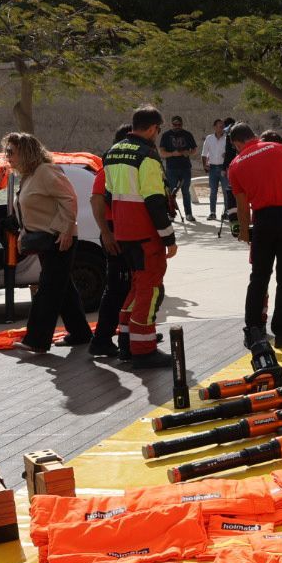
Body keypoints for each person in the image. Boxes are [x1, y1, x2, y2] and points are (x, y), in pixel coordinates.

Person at [3, 132, 92, 353]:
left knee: (48, 290)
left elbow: (69, 198)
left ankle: (36, 340)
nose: (7, 157)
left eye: (11, 152)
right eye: (6, 152)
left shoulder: (45, 171)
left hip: (59, 238)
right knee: (63, 288)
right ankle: (80, 333)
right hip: (46, 240)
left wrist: (66, 230)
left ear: (25, 152)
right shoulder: (29, 175)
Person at [103, 106, 177, 368]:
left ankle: (126, 342)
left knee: (136, 286)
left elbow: (109, 195)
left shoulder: (111, 154)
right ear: (153, 128)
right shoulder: (147, 156)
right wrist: (168, 237)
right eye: (158, 130)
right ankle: (143, 349)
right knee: (150, 289)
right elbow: (155, 201)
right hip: (146, 235)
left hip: (124, 233)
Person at [227, 123, 282, 350]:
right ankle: (281, 332)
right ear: (253, 136)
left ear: (237, 143)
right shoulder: (279, 150)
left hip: (263, 220)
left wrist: (244, 232)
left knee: (259, 277)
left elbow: (243, 207)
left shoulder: (235, 165)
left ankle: (253, 330)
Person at [87, 124, 134, 358]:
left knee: (131, 288)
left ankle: (132, 334)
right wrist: (106, 233)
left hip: (130, 233)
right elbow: (96, 200)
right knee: (116, 288)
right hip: (115, 232)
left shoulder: (127, 167)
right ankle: (102, 340)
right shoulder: (109, 169)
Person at [159, 114, 198, 222]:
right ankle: (171, 213)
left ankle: (188, 214)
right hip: (171, 168)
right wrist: (172, 154)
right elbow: (162, 152)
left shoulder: (187, 134)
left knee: (186, 191)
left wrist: (188, 152)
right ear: (171, 124)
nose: (177, 126)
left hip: (185, 167)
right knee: (171, 193)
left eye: (179, 124)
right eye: (175, 124)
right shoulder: (166, 135)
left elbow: (195, 150)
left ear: (182, 124)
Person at [201, 119, 228, 220]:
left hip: (223, 168)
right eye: (220, 126)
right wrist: (204, 165)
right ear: (214, 127)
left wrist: (227, 155)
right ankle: (212, 213)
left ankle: (226, 212)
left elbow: (232, 152)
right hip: (212, 168)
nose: (222, 128)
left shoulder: (227, 139)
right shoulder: (209, 138)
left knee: (226, 191)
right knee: (213, 191)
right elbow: (204, 153)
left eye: (223, 126)